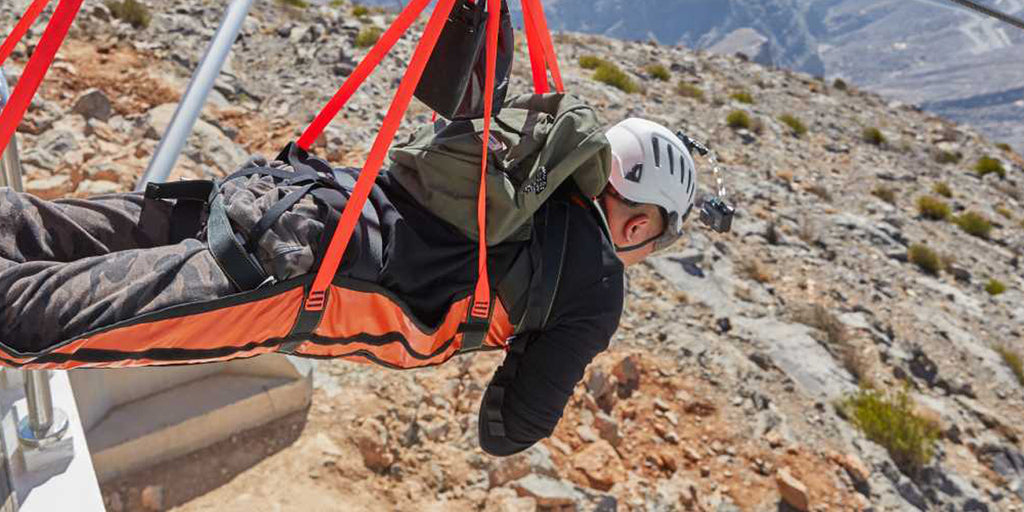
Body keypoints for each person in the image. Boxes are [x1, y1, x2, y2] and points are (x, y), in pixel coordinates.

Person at [0, 108, 697, 455]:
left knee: (36, 232)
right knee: (28, 323)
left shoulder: (525, 168)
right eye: (650, 241)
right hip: (294, 276)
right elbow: (508, 430)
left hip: (278, 194)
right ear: (637, 226)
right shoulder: (598, 284)